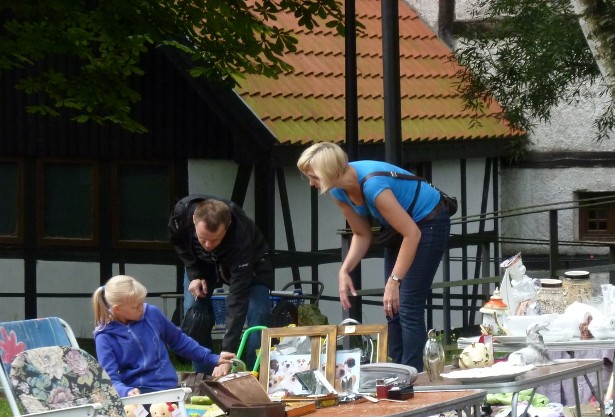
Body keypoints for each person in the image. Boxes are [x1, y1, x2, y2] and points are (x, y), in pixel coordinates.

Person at [296, 142, 452, 370]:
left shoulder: (372, 186)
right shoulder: (338, 190)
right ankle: (398, 371)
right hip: (403, 227)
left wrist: (395, 280)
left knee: (408, 304)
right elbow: (361, 234)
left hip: (428, 222)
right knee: (392, 307)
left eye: (313, 177)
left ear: (329, 172)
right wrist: (344, 270)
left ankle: (414, 376)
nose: (311, 183)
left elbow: (412, 233)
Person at [168, 195, 274, 371]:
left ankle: (251, 373)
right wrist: (194, 274)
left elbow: (237, 300)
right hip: (201, 266)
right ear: (194, 219)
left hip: (252, 266)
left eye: (215, 239)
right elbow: (179, 243)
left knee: (259, 314)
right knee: (194, 312)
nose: (208, 245)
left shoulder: (241, 233)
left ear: (229, 225)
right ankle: (204, 374)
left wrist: (227, 353)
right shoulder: (181, 215)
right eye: (203, 238)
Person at [92, 275, 235, 397]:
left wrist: (211, 358)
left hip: (170, 388)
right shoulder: (104, 336)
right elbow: (108, 379)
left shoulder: (151, 313)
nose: (142, 308)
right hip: (139, 395)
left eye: (142, 302)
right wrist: (126, 391)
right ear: (117, 309)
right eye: (136, 306)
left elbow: (179, 340)